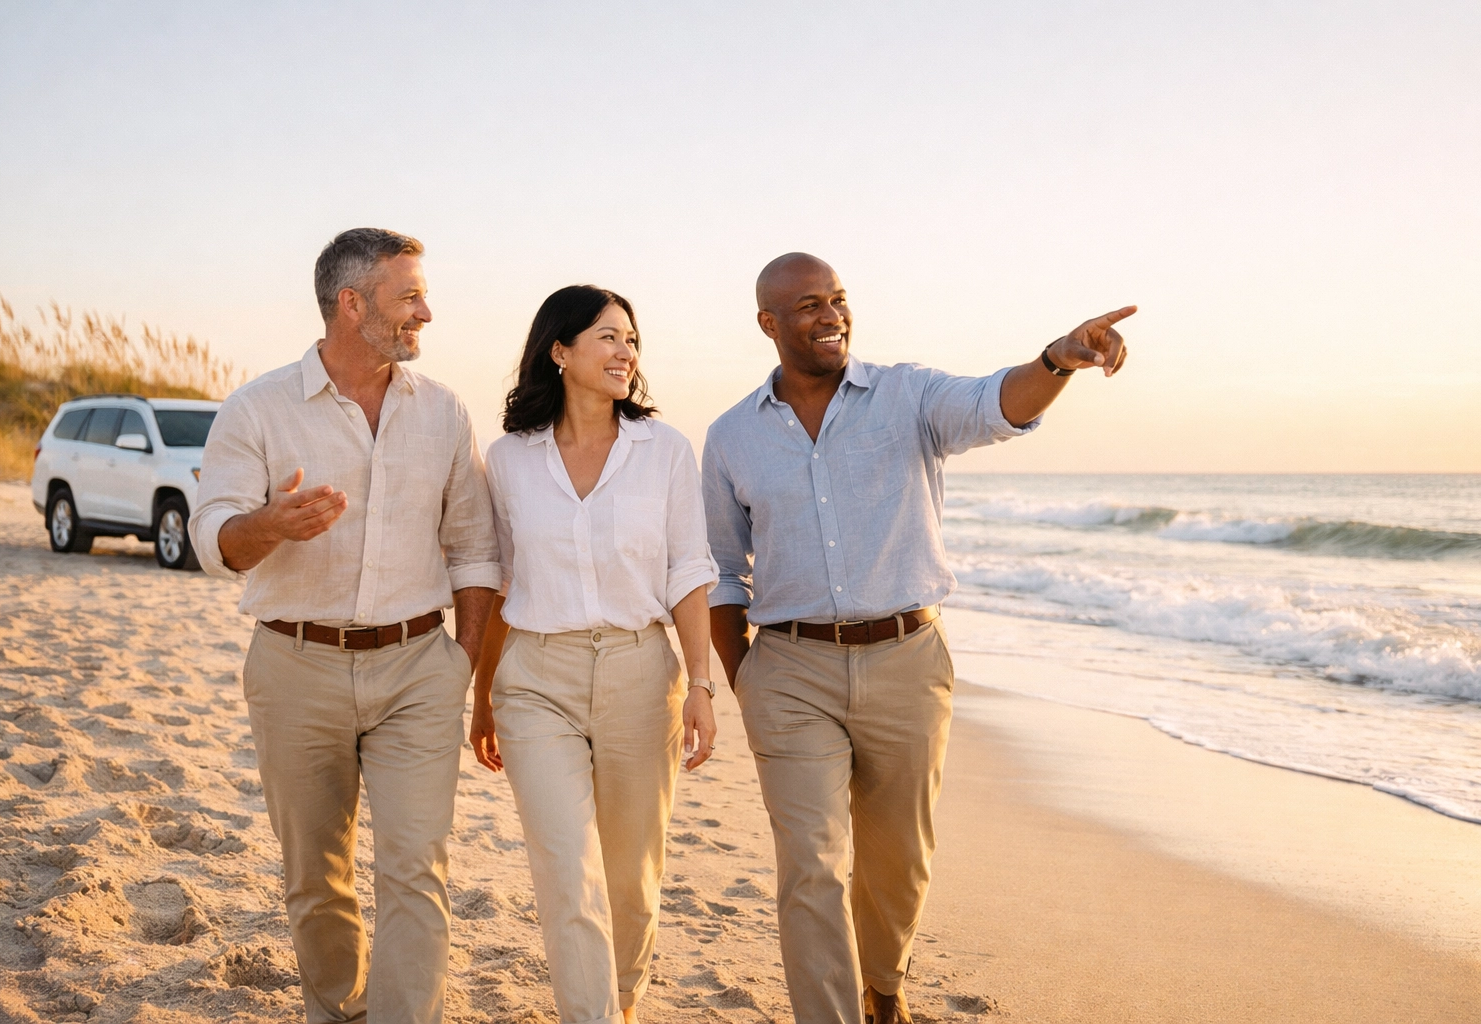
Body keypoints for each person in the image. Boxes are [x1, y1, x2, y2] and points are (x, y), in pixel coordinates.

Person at [703, 252, 1133, 1024]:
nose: (830, 314)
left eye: (837, 299)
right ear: (768, 324)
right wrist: (745, 682)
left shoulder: (907, 395)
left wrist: (1056, 359)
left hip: (907, 659)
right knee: (811, 864)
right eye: (807, 305)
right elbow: (723, 573)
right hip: (790, 670)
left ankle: (884, 984)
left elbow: (994, 403)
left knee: (898, 861)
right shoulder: (731, 436)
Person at [191, 228, 500, 1024]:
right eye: (408, 297)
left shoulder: (443, 412)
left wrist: (459, 664)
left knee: (416, 867)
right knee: (315, 874)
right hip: (295, 667)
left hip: (416, 669)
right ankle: (338, 1011)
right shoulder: (257, 408)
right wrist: (270, 526)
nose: (425, 312)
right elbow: (214, 539)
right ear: (351, 303)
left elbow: (473, 548)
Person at [468, 284, 719, 1024]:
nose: (625, 353)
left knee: (631, 879)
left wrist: (701, 684)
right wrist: (483, 697)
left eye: (631, 341)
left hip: (642, 675)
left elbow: (688, 573)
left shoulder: (664, 451)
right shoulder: (509, 460)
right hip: (535, 679)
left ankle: (624, 1006)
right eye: (607, 337)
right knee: (567, 875)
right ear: (560, 349)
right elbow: (502, 583)